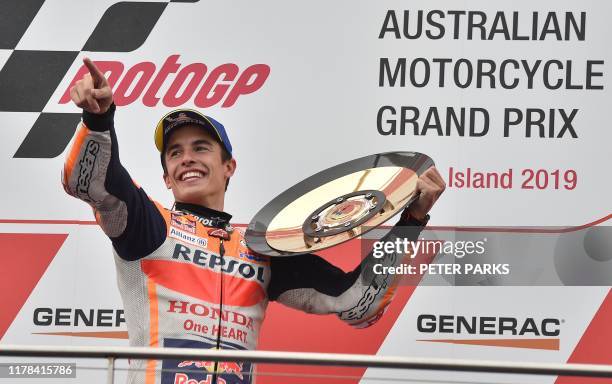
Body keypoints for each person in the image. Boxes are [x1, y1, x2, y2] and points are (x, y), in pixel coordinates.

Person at [62, 58, 445, 384]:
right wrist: (98, 120)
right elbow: (92, 183)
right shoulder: (148, 226)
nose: (187, 159)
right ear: (166, 177)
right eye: (175, 153)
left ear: (229, 166)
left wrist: (410, 221)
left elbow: (358, 304)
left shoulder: (260, 249)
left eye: (201, 148)